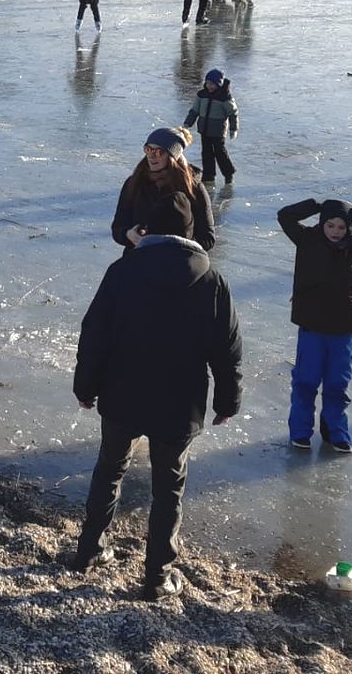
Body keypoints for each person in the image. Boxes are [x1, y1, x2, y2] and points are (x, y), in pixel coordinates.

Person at [69, 191, 241, 600]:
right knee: (169, 489)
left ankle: (89, 551)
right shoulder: (212, 281)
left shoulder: (122, 271)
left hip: (122, 392)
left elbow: (94, 334)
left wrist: (85, 387)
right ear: (191, 232)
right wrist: (227, 401)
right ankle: (158, 577)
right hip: (179, 403)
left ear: (146, 230)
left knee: (110, 470)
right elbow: (227, 349)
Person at [276, 197, 352, 453]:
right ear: (322, 224)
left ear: (349, 227)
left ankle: (335, 431)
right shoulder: (307, 239)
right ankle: (300, 431)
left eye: (341, 227)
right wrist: (315, 205)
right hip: (312, 324)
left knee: (337, 383)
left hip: (344, 326)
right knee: (306, 381)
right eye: (330, 225)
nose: (335, 231)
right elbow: (285, 216)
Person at [111, 128, 214, 253]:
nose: (152, 156)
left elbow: (207, 239)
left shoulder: (193, 187)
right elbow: (118, 228)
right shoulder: (134, 183)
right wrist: (128, 235)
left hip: (177, 260)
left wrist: (179, 245)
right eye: (148, 149)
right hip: (139, 258)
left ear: (173, 156)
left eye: (159, 152)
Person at [183, 69, 239, 184]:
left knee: (220, 153)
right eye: (208, 83)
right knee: (206, 153)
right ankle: (208, 176)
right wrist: (187, 124)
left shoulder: (225, 97)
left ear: (219, 84)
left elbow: (233, 113)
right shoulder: (202, 95)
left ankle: (228, 173)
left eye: (212, 84)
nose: (209, 86)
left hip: (218, 131)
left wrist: (233, 129)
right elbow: (194, 111)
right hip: (204, 130)